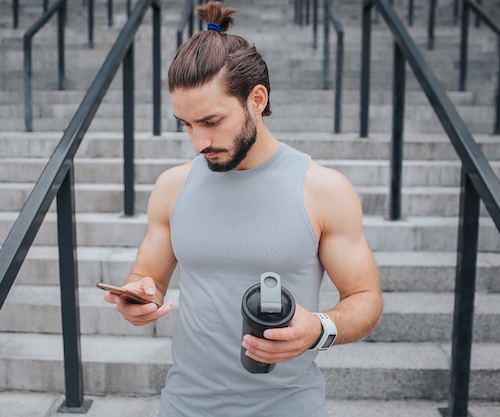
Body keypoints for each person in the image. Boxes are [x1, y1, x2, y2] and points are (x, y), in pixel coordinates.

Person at [103, 2, 383, 416]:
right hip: (185, 405)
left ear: (257, 99)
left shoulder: (324, 189)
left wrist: (319, 329)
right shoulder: (171, 186)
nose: (198, 141)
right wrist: (139, 297)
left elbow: (365, 298)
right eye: (186, 123)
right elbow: (148, 278)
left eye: (212, 121)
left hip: (288, 407)